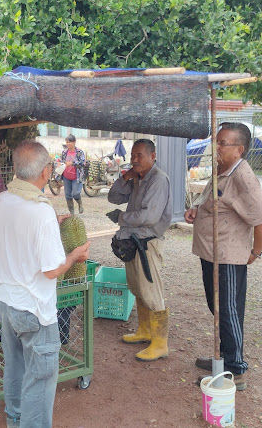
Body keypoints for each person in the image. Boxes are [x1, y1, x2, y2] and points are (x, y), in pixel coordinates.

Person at [0, 140, 90, 428]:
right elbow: (51, 271)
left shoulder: (3, 200)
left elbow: (20, 233)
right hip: (34, 310)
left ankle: (15, 421)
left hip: (6, 303)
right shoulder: (39, 211)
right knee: (40, 379)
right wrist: (75, 255)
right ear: (46, 172)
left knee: (16, 368)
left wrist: (51, 224)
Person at [184, 122, 262, 391]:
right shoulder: (223, 170)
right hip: (211, 253)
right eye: (217, 142)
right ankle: (222, 357)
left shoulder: (242, 177)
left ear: (240, 149)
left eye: (223, 143)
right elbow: (215, 200)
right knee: (217, 308)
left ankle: (235, 369)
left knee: (228, 312)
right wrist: (198, 209)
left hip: (228, 257)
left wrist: (255, 252)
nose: (216, 148)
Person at [107, 139, 173, 361]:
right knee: (137, 288)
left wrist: (122, 217)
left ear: (152, 156)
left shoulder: (158, 179)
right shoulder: (137, 177)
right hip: (133, 240)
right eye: (133, 155)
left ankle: (160, 343)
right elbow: (113, 197)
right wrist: (125, 177)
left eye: (140, 156)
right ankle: (144, 330)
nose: (134, 160)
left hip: (148, 242)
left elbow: (150, 217)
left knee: (152, 291)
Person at [60, 134, 86, 214]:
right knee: (67, 195)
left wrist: (72, 163)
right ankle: (72, 213)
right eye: (67, 142)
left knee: (75, 194)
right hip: (66, 176)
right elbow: (62, 162)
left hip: (76, 177)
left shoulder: (79, 152)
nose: (68, 144)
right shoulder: (64, 152)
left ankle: (80, 203)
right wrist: (59, 163)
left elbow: (82, 163)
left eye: (70, 142)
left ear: (74, 142)